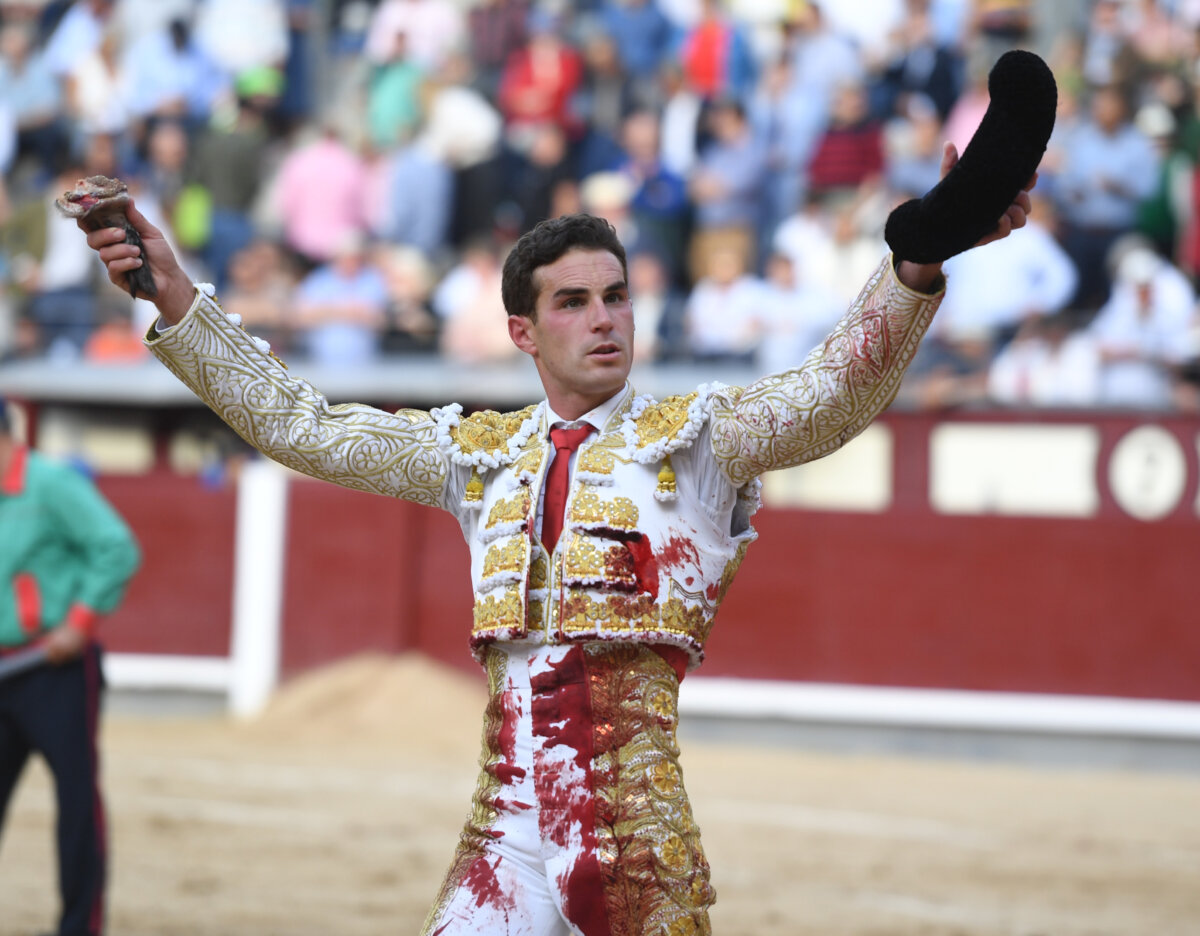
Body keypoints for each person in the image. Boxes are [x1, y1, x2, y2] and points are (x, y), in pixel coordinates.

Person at [80, 138, 1033, 934]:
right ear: (523, 332)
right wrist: (176, 297)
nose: (605, 319)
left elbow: (830, 397)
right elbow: (303, 425)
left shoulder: (698, 442)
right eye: (573, 303)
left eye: (615, 296)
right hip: (503, 830)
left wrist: (918, 260)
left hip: (631, 836)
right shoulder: (477, 455)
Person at [0, 397, 141, 936]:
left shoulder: (50, 484)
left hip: (52, 669)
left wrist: (78, 623)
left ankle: (80, 927)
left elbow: (116, 547)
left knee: (77, 803)